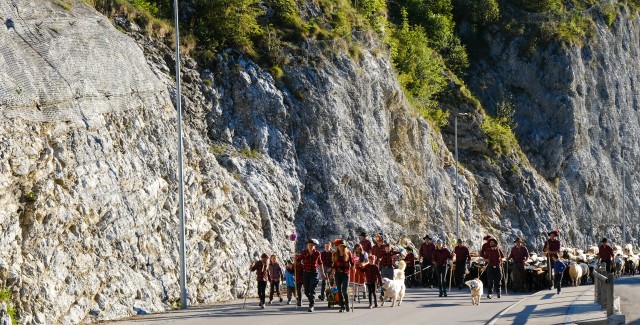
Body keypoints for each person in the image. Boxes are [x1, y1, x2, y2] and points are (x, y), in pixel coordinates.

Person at [300, 238, 323, 312]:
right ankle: (311, 300)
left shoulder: (317, 253)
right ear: (307, 246)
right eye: (309, 245)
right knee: (306, 291)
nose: (310, 246)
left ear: (314, 246)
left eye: (312, 245)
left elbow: (320, 263)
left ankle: (311, 305)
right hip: (306, 273)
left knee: (312, 289)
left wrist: (322, 273)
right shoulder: (304, 253)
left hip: (314, 273)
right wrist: (295, 260)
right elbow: (298, 260)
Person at [332, 239, 355, 312]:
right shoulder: (335, 254)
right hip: (338, 274)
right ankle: (342, 306)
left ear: (344, 247)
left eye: (342, 246)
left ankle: (347, 304)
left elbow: (352, 263)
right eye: (339, 246)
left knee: (344, 291)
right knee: (339, 291)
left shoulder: (348, 253)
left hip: (345, 274)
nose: (341, 247)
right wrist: (332, 272)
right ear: (337, 247)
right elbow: (334, 265)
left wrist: (353, 268)